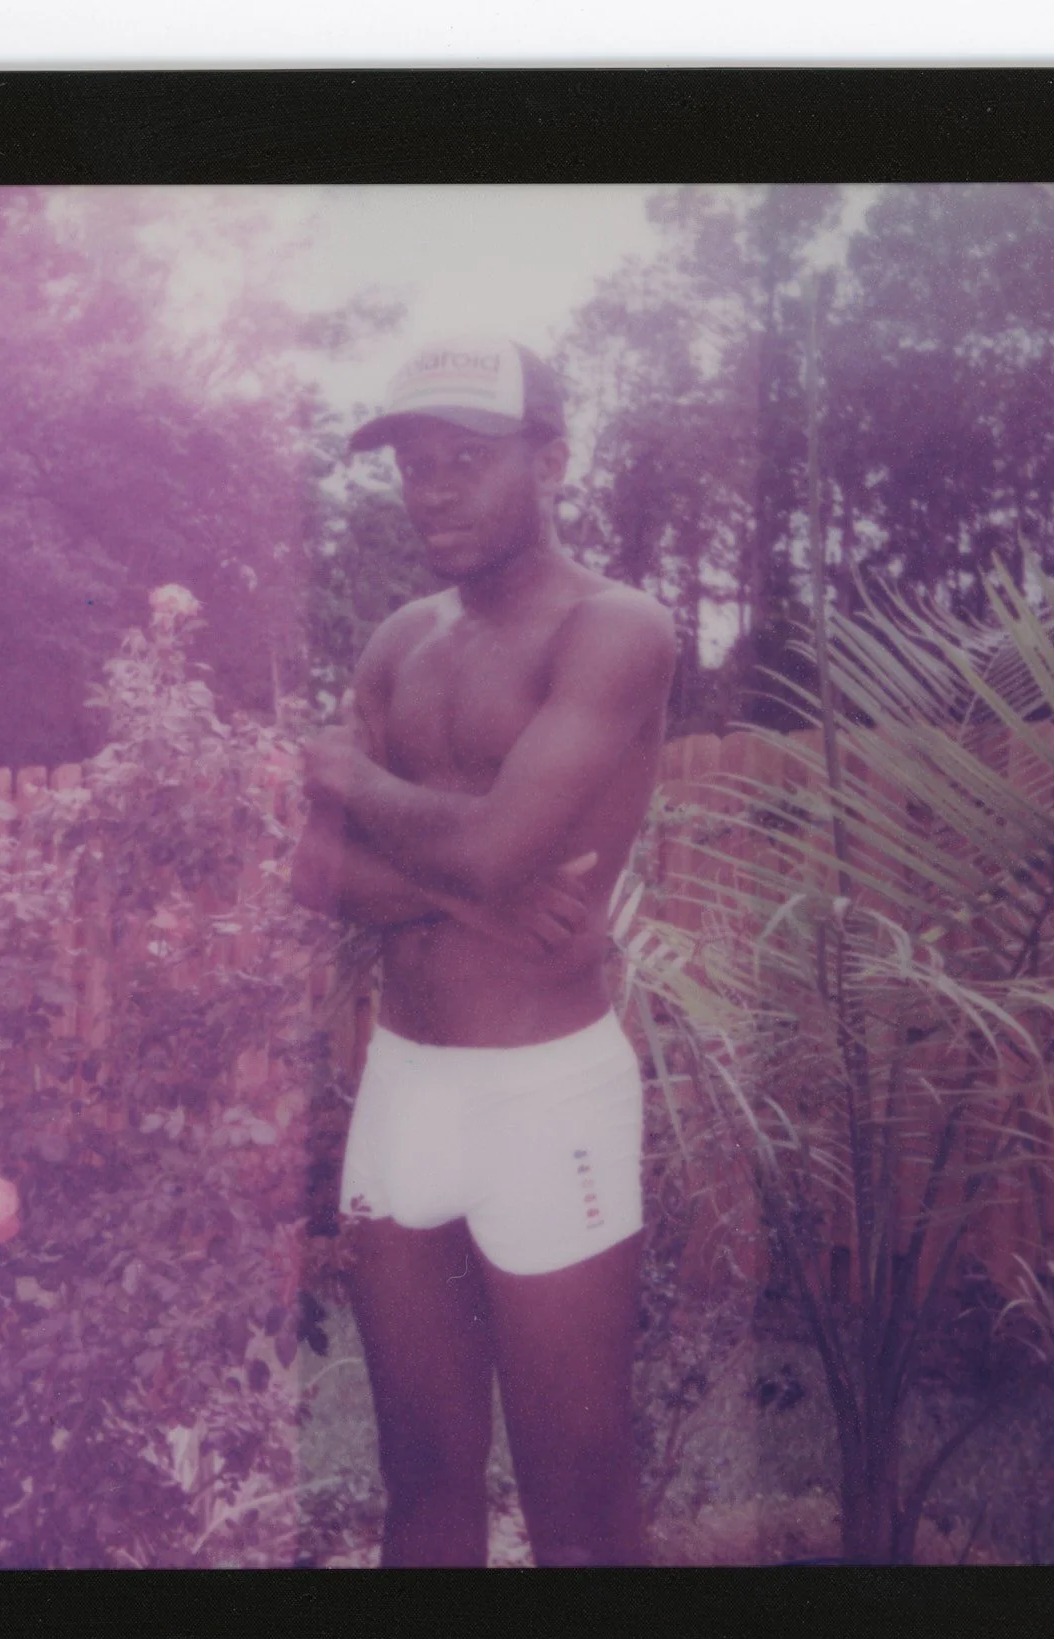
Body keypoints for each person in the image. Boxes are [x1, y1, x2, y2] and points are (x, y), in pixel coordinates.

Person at [292, 336, 675, 1567]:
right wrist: (482, 894)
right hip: (404, 1091)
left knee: (579, 1504)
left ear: (551, 459)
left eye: (467, 458)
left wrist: (359, 780)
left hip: (545, 1097)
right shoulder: (399, 639)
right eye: (412, 464)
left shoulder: (615, 630)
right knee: (421, 1493)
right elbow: (312, 869)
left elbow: (500, 840)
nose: (433, 487)